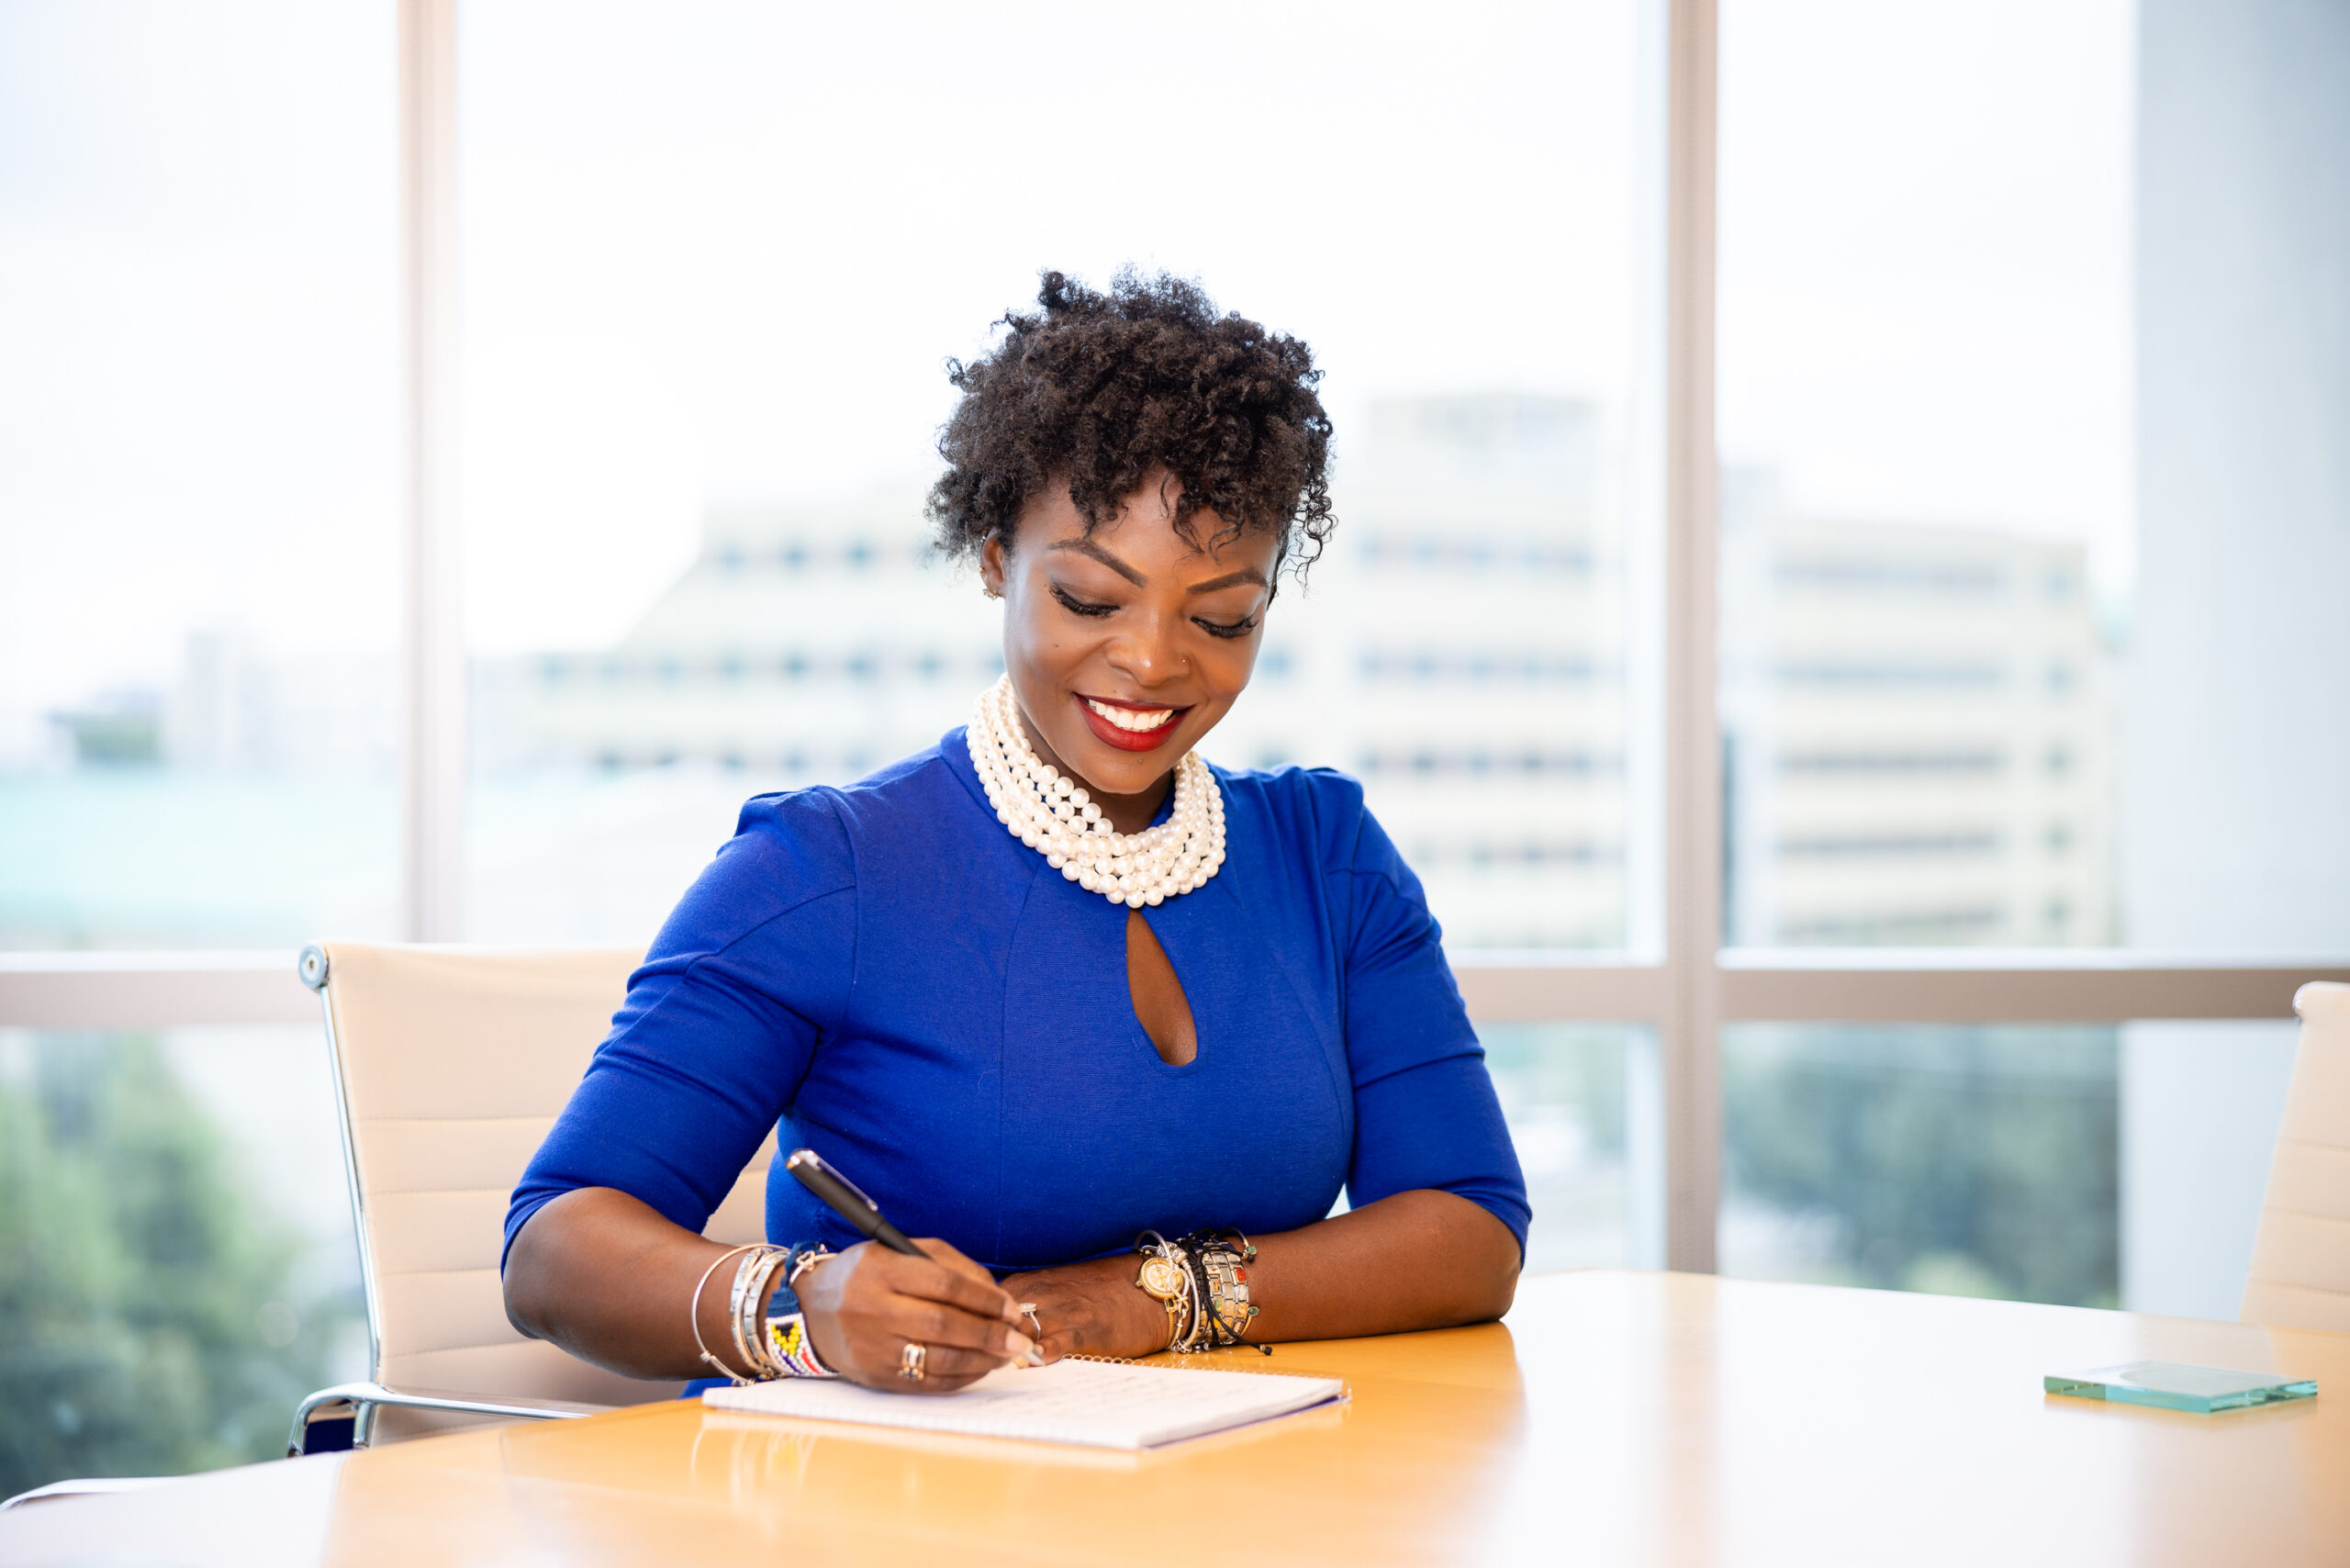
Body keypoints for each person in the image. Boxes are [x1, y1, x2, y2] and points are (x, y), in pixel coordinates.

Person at [502, 270, 1528, 1395]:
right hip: (896, 1506)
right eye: (1090, 599)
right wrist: (803, 1305)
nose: (1151, 660)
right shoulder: (825, 872)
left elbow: (1469, 1230)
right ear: (996, 556)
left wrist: (1146, 1298)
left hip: (1237, 1491)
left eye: (1221, 615)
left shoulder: (1324, 855)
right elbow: (553, 1249)